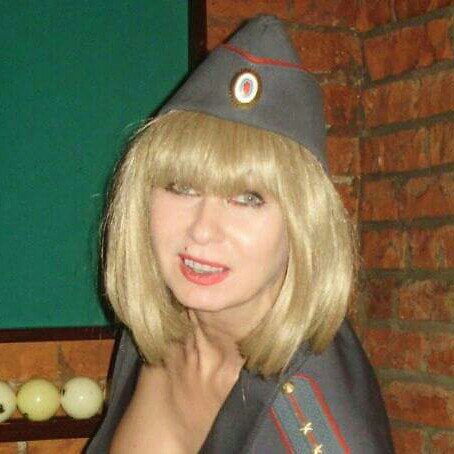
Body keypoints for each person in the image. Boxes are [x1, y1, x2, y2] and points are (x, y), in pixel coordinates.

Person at [86, 15, 394, 453]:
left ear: (303, 225)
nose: (202, 230)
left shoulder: (321, 433)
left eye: (248, 198)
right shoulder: (154, 327)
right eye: (182, 188)